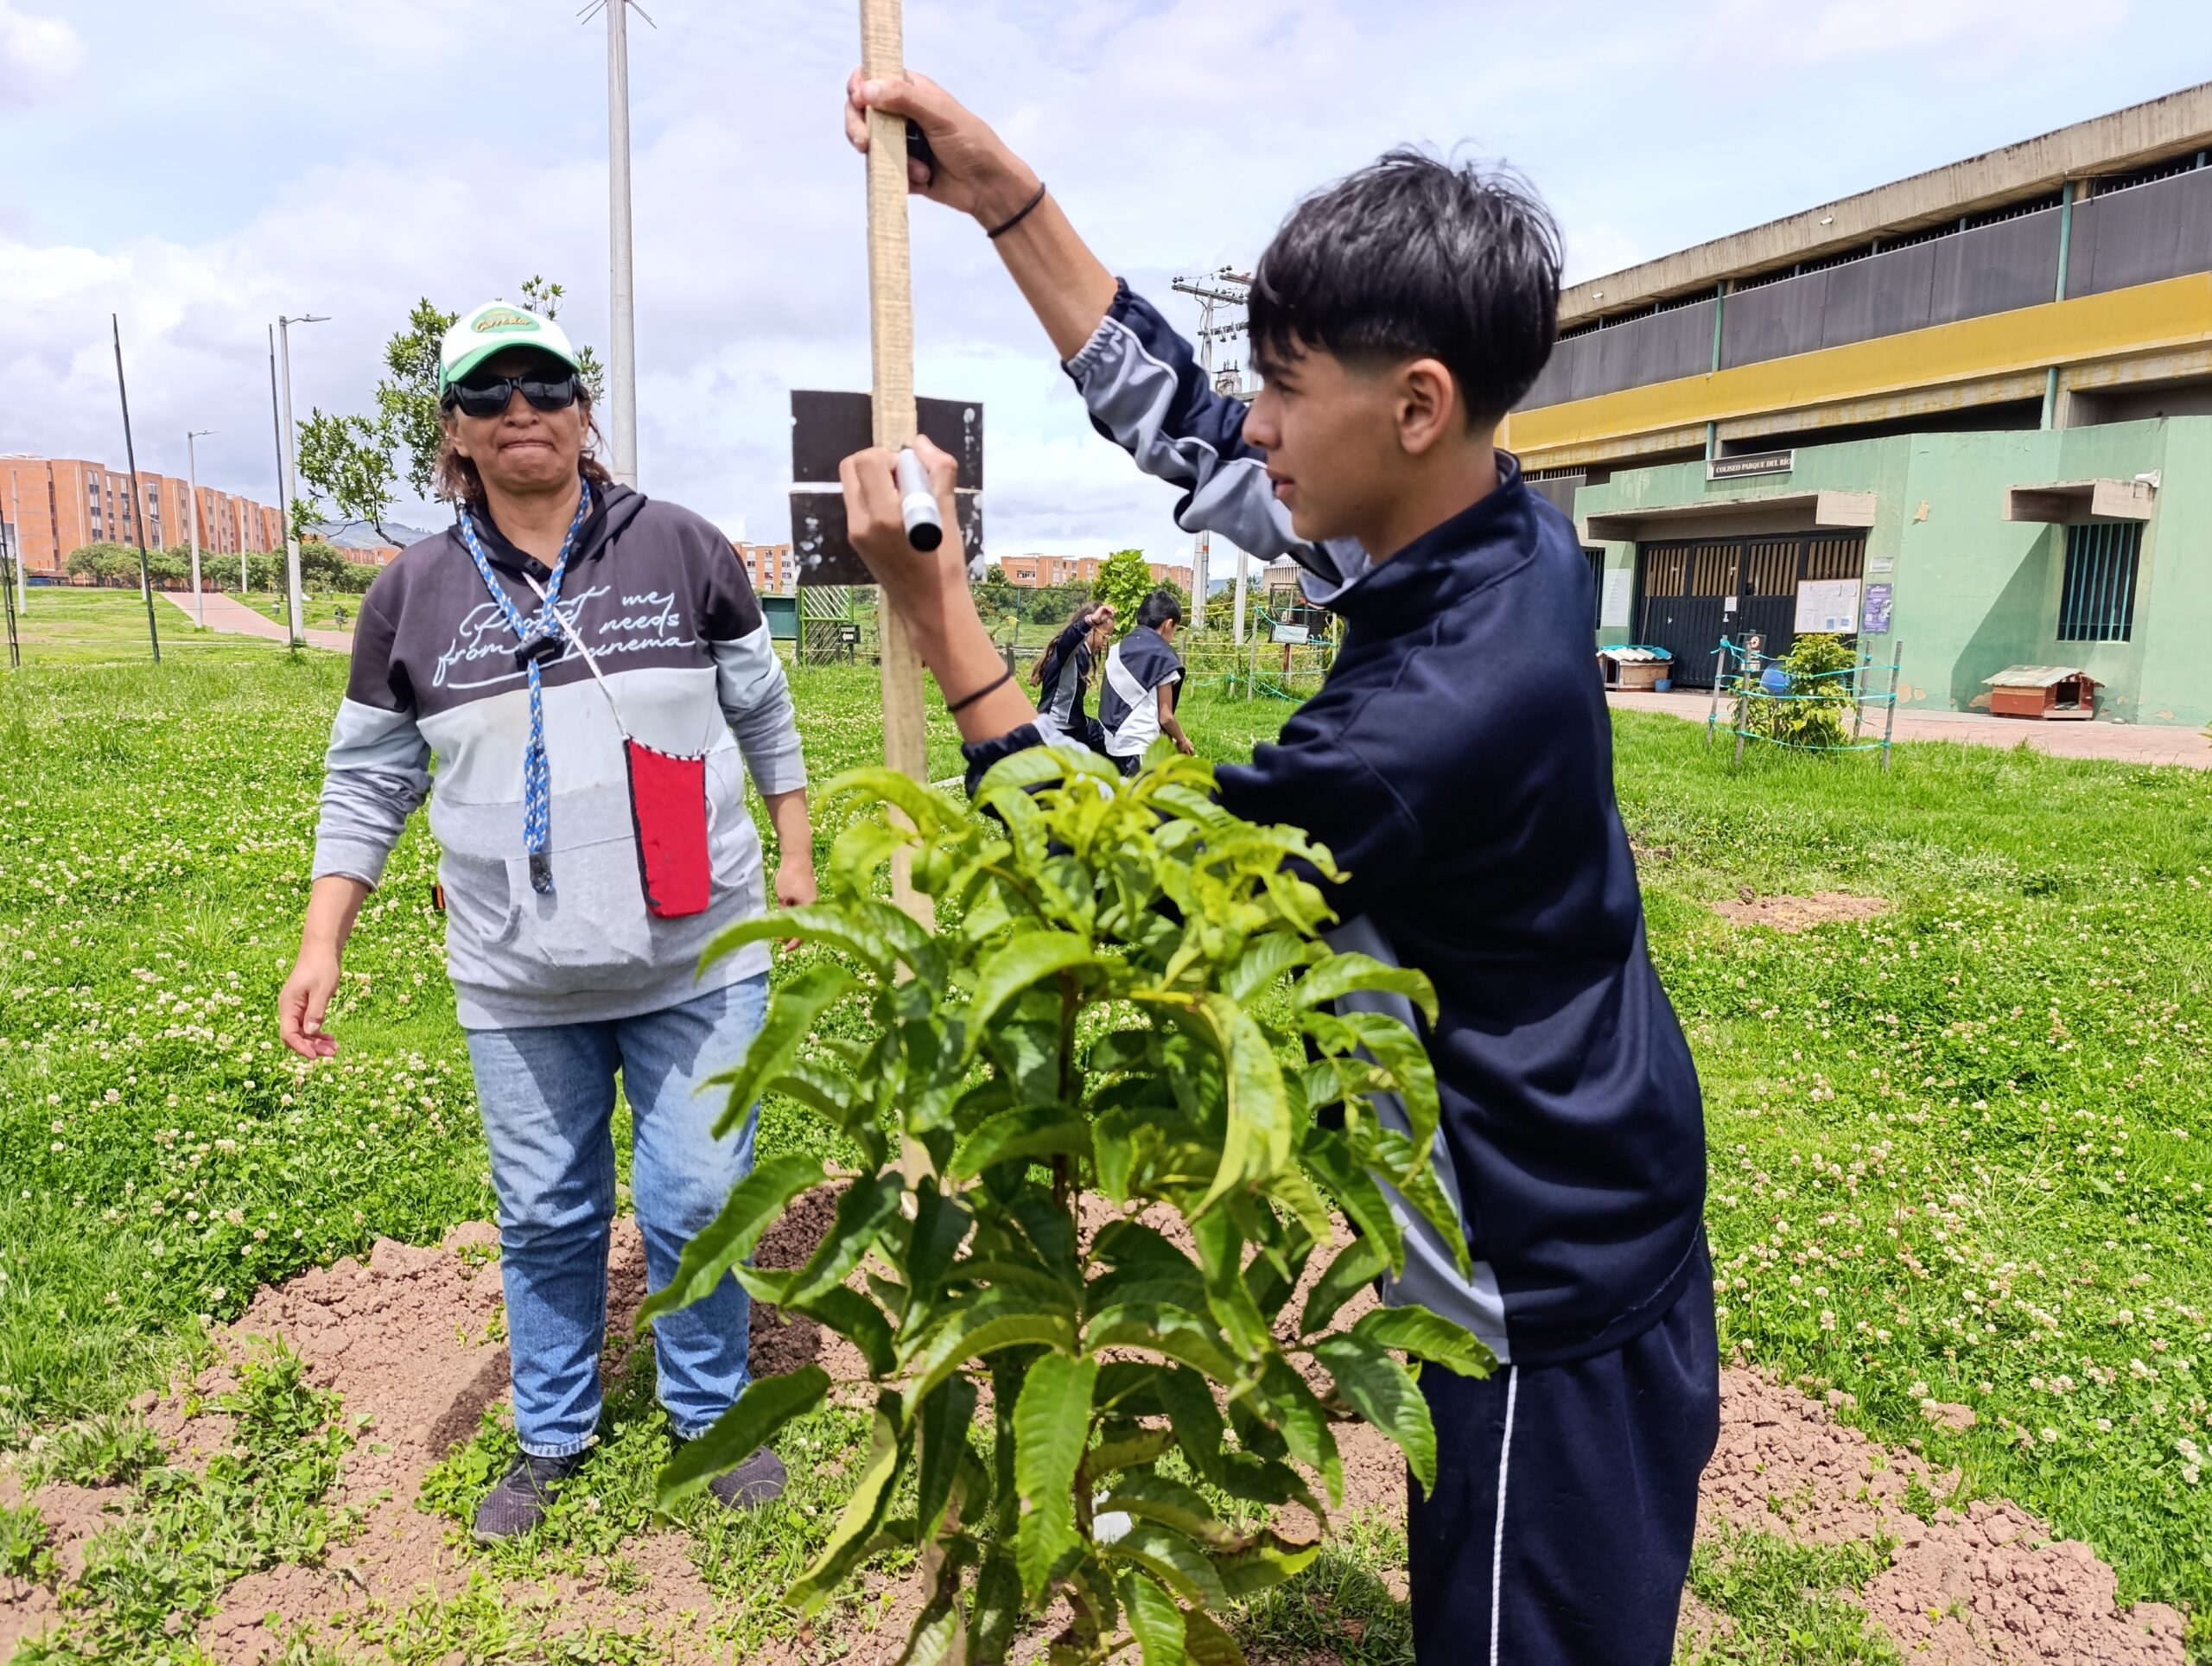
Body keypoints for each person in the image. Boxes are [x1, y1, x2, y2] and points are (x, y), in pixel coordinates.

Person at [836, 74, 1717, 1665]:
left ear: (1418, 405)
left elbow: (1132, 902)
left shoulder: (1422, 720)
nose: (1254, 424)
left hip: (1543, 1273)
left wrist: (939, 615)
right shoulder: (1501, 534)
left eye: (1285, 388)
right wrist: (1009, 205)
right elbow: (1185, 425)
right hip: (1605, 1178)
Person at [277, 300, 811, 1542]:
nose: (521, 409)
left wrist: (795, 861)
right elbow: (368, 780)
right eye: (488, 394)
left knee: (695, 1197)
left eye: (546, 385)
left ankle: (710, 1414)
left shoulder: (682, 547)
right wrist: (322, 940)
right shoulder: (407, 594)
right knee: (548, 1214)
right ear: (455, 433)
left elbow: (764, 716)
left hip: (698, 951)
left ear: (585, 413)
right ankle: (555, 1431)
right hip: (520, 981)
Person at [1096, 588, 1193, 772]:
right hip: (1140, 746)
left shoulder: (1117, 649)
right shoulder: (1162, 655)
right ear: (1168, 624)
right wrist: (1182, 739)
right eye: (1175, 630)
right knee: (1145, 799)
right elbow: (1165, 717)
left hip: (1112, 742)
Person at [1030, 598, 1113, 749]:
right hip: (1056, 729)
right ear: (1092, 629)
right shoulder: (1069, 651)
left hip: (1075, 726)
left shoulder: (1083, 654)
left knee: (1113, 738)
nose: (1105, 643)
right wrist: (1091, 621)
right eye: (1105, 636)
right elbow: (1069, 640)